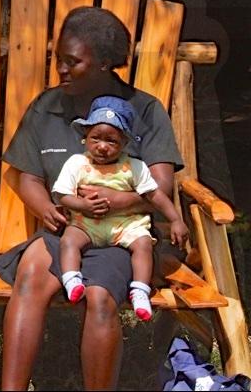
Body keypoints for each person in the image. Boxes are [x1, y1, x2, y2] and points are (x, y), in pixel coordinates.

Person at [0, 6, 185, 390]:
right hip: (68, 230)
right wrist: (45, 206)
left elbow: (160, 186)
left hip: (124, 238)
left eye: (72, 62)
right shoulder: (47, 106)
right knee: (31, 274)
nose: (61, 70)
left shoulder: (144, 110)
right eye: (58, 59)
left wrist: (120, 203)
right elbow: (23, 174)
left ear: (104, 64)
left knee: (99, 296)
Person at [52, 95, 189, 321]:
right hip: (87, 224)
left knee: (144, 244)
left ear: (124, 142)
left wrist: (175, 219)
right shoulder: (77, 163)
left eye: (112, 141)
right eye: (96, 139)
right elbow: (62, 195)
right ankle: (72, 280)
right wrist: (82, 205)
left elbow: (155, 195)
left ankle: (140, 291)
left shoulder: (134, 166)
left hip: (125, 224)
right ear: (85, 138)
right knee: (69, 240)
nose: (102, 147)